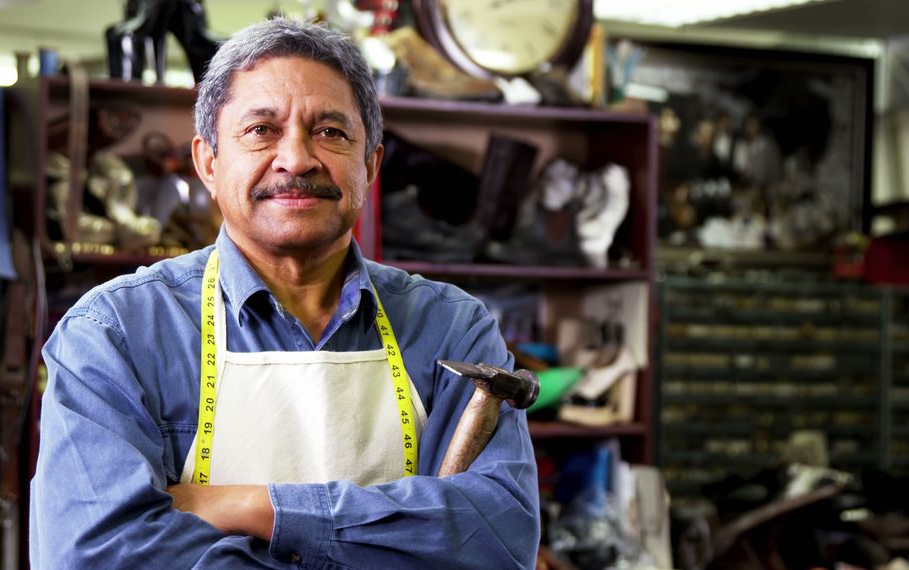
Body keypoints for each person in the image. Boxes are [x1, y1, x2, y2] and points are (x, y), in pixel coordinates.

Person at [29, 18, 539, 569]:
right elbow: (95, 555)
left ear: (369, 166)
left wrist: (252, 506)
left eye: (331, 133)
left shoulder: (451, 326)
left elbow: (499, 539)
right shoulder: (115, 333)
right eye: (261, 130)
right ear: (208, 162)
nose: (296, 159)